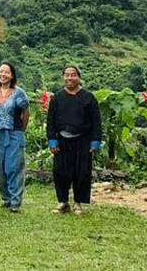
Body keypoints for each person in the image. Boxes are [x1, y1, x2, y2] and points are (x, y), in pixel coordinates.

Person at [46, 66, 102, 215]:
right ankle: (63, 202)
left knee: (81, 172)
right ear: (63, 77)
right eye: (67, 75)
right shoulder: (57, 98)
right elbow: (50, 120)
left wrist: (95, 141)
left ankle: (78, 203)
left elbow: (96, 121)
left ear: (78, 77)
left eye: (73, 75)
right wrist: (52, 140)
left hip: (83, 140)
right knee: (60, 172)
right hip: (62, 140)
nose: (70, 78)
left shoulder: (89, 98)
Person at [0, 61, 30, 213]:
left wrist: (21, 129)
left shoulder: (19, 93)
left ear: (12, 75)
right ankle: (5, 198)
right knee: (0, 168)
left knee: (14, 167)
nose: (3, 75)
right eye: (0, 71)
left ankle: (15, 201)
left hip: (14, 133)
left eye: (6, 72)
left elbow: (26, 112)